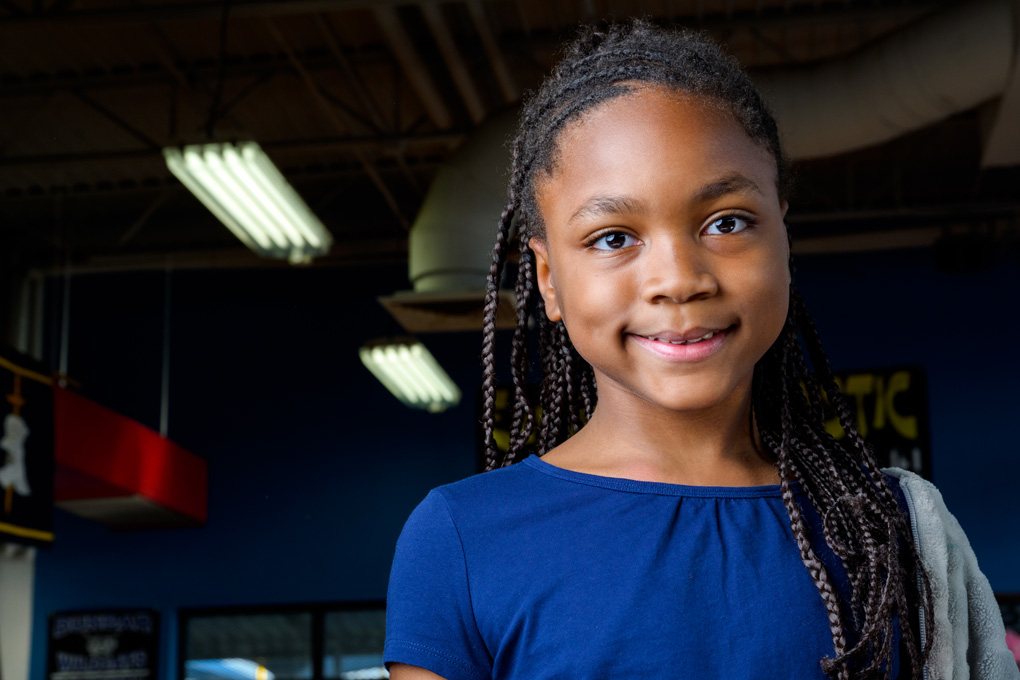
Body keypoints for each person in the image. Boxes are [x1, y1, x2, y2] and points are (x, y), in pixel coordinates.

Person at [383, 21, 1017, 680]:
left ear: (783, 238)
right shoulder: (461, 539)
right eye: (612, 237)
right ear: (547, 279)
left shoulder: (895, 533)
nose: (680, 278)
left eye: (727, 223)